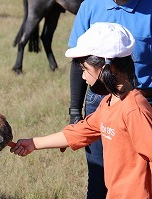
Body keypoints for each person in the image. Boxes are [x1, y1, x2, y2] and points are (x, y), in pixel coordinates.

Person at [10, 22, 152, 198]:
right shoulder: (108, 103)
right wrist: (33, 143)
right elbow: (78, 132)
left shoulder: (133, 109)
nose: (83, 76)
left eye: (85, 69)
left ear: (107, 68)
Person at [67, 0, 152, 198]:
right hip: (101, 100)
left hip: (143, 104)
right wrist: (74, 111)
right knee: (98, 178)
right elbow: (78, 63)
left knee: (136, 173)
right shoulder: (90, 5)